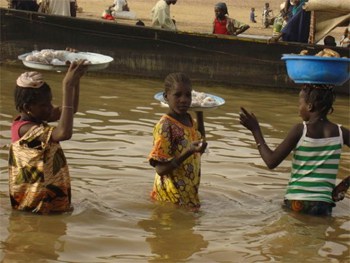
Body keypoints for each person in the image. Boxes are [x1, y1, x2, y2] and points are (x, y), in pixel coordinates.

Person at [239, 84, 350, 216]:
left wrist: (255, 130)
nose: (298, 109)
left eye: (300, 103)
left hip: (297, 201)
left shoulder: (300, 130)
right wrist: (345, 184)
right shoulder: (341, 132)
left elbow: (271, 161)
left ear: (309, 106)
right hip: (324, 204)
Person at [8, 59, 88, 214]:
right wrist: (67, 85)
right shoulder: (24, 129)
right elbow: (63, 133)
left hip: (47, 200)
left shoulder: (37, 117)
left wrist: (76, 79)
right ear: (27, 108)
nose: (50, 108)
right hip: (36, 205)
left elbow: (71, 109)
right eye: (45, 105)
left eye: (50, 102)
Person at [148, 72, 208, 211]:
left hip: (187, 196)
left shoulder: (188, 119)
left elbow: (199, 142)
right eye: (177, 95)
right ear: (166, 97)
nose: (184, 100)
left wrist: (199, 112)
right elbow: (160, 169)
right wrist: (188, 151)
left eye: (188, 95)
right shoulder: (165, 126)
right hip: (170, 199)